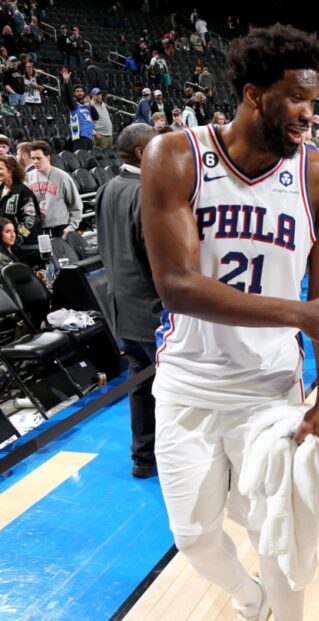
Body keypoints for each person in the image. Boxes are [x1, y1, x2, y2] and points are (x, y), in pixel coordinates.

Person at [140, 24, 319, 621]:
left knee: (281, 530)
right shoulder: (175, 156)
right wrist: (300, 312)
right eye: (297, 99)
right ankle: (249, 600)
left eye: (313, 101)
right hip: (188, 383)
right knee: (194, 536)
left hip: (271, 389)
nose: (308, 114)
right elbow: (177, 288)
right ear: (254, 95)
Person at [95, 124, 160, 479]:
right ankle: (178, 459)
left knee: (140, 387)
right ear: (141, 152)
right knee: (172, 390)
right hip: (153, 311)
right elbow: (157, 260)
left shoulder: (105, 190)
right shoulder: (145, 193)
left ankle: (143, 458)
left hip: (121, 307)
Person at [25, 141, 82, 237]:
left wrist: (71, 227)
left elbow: (76, 205)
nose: (35, 161)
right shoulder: (28, 177)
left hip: (60, 228)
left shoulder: (63, 177)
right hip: (37, 228)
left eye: (38, 158)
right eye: (33, 158)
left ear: (48, 157)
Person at [0, 154, 41, 252]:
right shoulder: (1, 190)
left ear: (10, 170)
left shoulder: (23, 192)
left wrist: (18, 238)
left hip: (25, 247)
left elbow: (30, 220)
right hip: (6, 245)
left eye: (0, 169)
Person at [61, 66, 97, 150]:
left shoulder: (87, 106)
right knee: (82, 159)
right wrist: (66, 82)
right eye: (77, 91)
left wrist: (91, 105)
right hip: (79, 136)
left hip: (89, 136)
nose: (80, 93)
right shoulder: (74, 105)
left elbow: (96, 117)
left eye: (81, 91)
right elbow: (68, 97)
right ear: (74, 94)